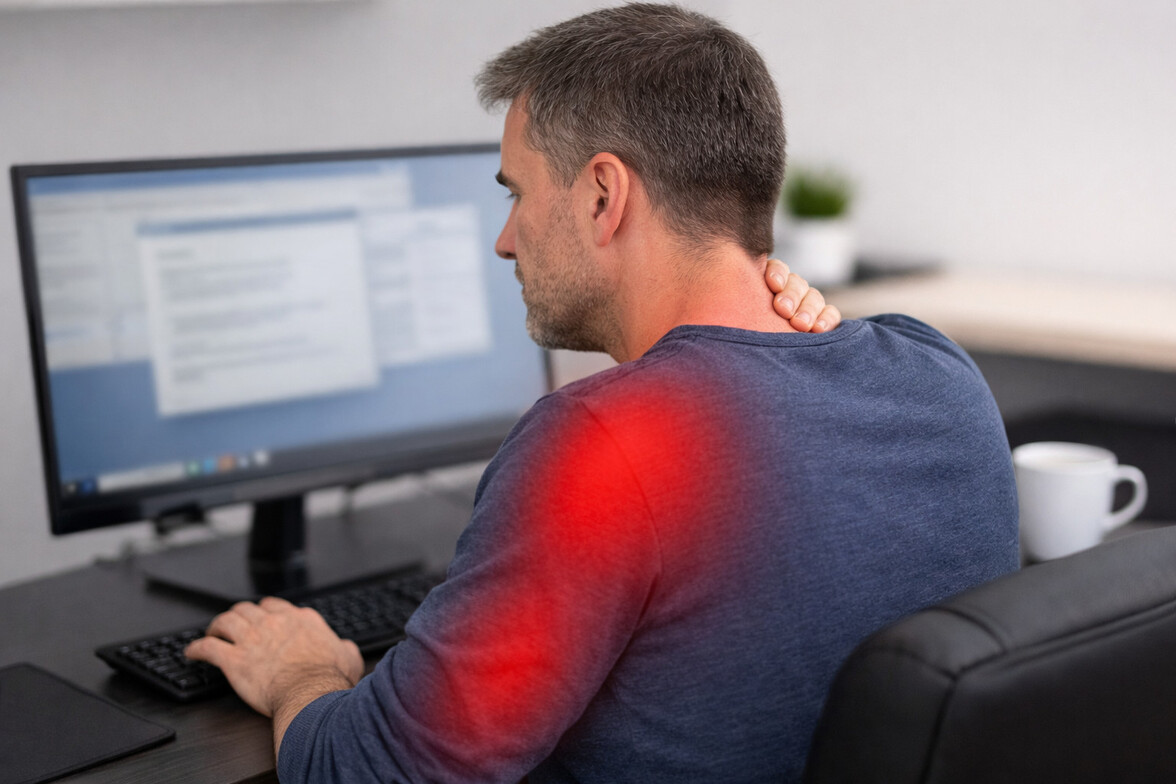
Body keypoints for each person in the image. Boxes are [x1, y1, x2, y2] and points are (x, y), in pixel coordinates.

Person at [186, 5, 1019, 783]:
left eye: (516, 193)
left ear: (602, 195)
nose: (506, 241)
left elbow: (377, 773)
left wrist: (304, 673)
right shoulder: (940, 374)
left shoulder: (606, 443)